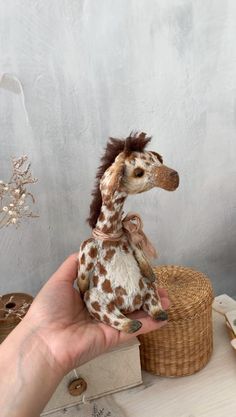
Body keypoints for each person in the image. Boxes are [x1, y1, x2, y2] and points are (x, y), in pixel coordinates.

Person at [0, 254, 170, 417]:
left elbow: (145, 268)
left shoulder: (128, 246)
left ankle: (152, 308)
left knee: (150, 290)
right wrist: (83, 292)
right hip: (105, 298)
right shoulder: (93, 246)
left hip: (133, 293)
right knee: (93, 298)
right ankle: (120, 322)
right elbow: (83, 278)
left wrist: (145, 272)